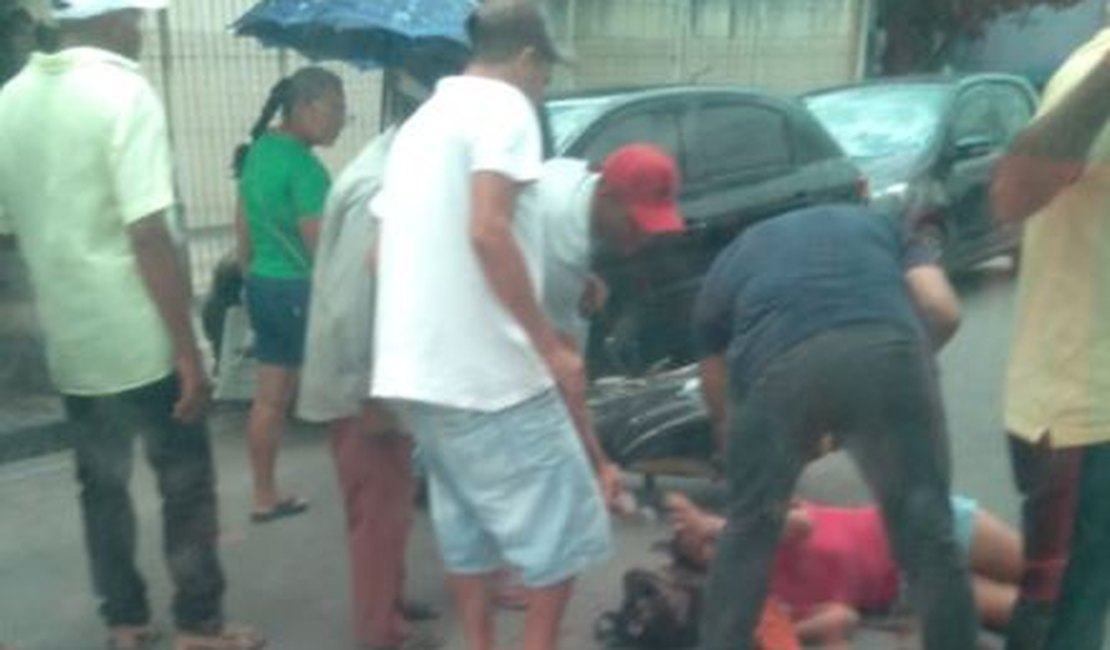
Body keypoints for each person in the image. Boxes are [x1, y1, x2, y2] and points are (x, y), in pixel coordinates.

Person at [0, 2, 263, 649]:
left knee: (102, 491)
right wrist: (188, 353)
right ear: (112, 21)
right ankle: (199, 626)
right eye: (138, 18)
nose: (142, 30)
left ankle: (126, 621)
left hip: (73, 343)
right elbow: (149, 231)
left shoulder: (10, 102)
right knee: (186, 486)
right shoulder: (124, 93)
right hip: (143, 340)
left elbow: (10, 229)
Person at [369, 3, 612, 650]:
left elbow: (378, 254)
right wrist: (551, 348)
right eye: (545, 73)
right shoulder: (504, 108)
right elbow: (487, 227)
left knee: (469, 528)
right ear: (527, 59)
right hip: (491, 376)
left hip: (419, 376)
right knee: (564, 535)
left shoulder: (422, 124)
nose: (545, 86)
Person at [691, 202, 978, 650]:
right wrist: (904, 372)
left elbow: (717, 389)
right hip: (888, 349)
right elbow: (943, 309)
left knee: (747, 535)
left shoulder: (727, 264)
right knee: (929, 532)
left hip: (776, 372)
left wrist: (742, 453)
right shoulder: (883, 225)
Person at [295, 80, 443, 649]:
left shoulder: (392, 167)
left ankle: (392, 603)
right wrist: (373, 393)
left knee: (391, 504)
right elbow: (360, 301)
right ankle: (379, 632)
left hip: (380, 376)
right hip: (366, 383)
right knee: (376, 515)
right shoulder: (380, 188)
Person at [990, 28, 1110, 650]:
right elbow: (1013, 194)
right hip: (1081, 418)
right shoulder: (1097, 72)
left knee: (1080, 614)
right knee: (1059, 625)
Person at [666, 492, 1023, 644]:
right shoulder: (766, 598)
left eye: (709, 540)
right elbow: (843, 617)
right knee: (1034, 612)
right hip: (912, 586)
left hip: (917, 525)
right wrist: (780, 631)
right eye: (702, 552)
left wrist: (714, 525)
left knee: (1048, 572)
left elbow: (801, 525)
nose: (714, 550)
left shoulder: (760, 523)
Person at [232, 66, 345, 522]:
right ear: (303, 108)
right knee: (347, 396)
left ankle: (264, 494)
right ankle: (366, 491)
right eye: (335, 109)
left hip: (264, 285)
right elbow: (324, 249)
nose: (340, 120)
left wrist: (252, 279)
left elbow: (243, 229)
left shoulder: (260, 150)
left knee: (270, 398)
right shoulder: (305, 168)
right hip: (301, 291)